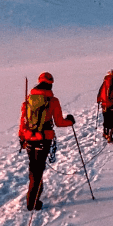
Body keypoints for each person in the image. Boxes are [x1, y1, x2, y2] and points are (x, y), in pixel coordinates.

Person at [18, 72, 75, 210]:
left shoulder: (29, 100)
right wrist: (71, 121)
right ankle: (33, 201)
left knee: (34, 167)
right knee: (39, 168)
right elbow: (60, 122)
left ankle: (34, 193)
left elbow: (23, 121)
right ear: (50, 84)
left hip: (29, 138)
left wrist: (22, 137)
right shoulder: (53, 101)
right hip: (44, 139)